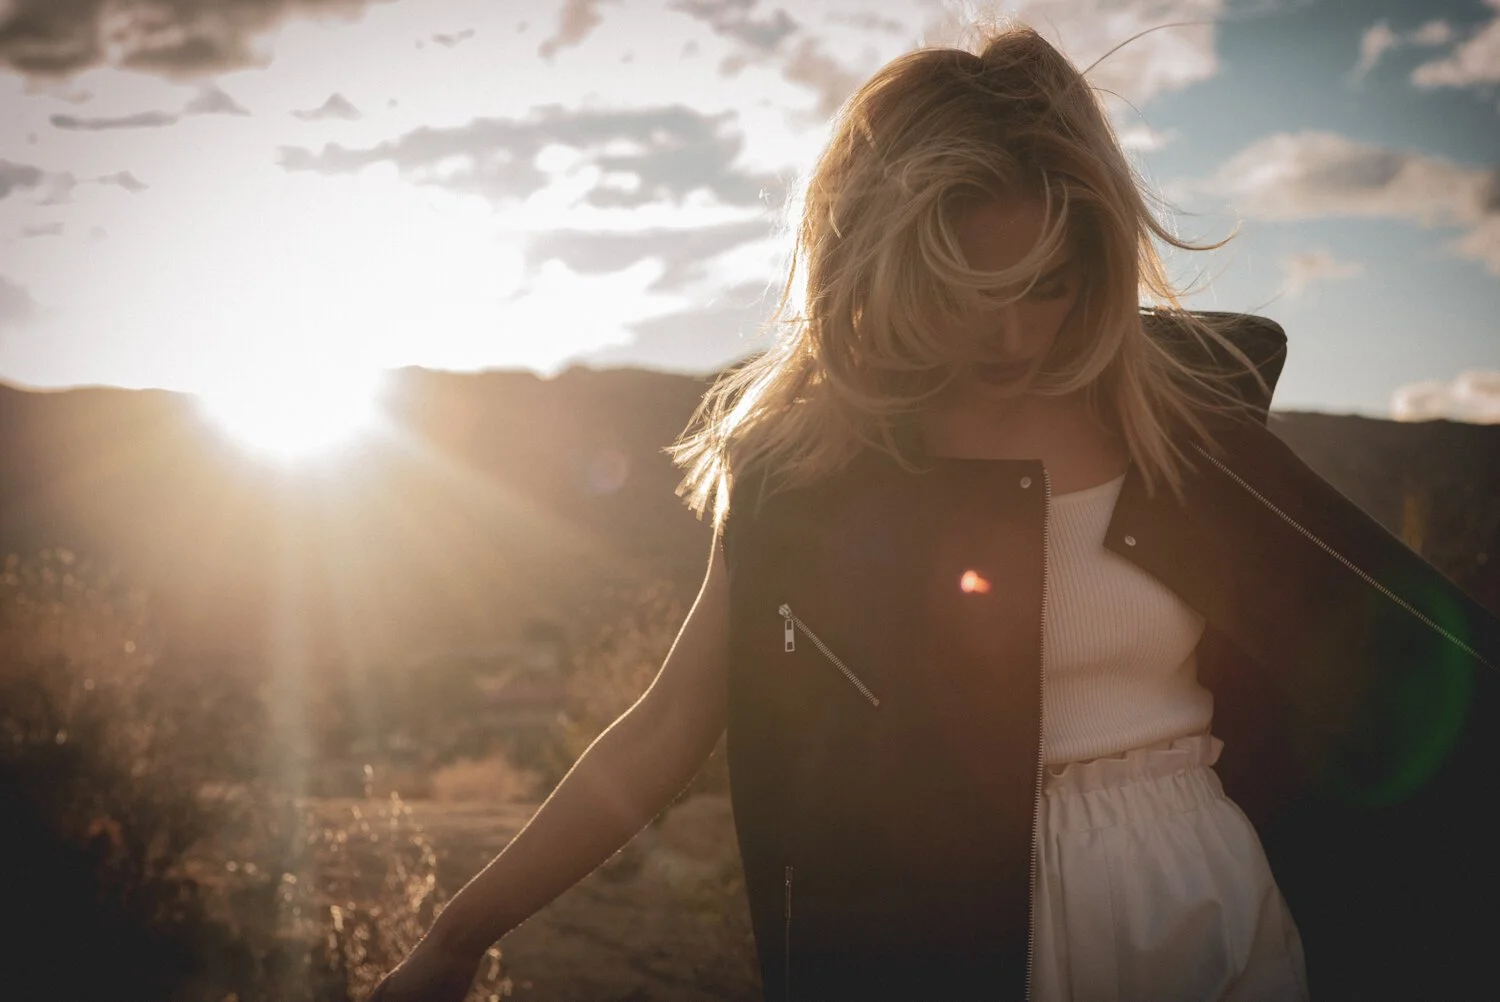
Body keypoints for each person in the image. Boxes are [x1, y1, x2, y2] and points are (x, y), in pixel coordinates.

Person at [371, 21, 1500, 1002]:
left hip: (1205, 898)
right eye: (973, 292)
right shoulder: (812, 473)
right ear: (892, 266)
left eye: (1047, 285)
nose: (1015, 334)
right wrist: (458, 934)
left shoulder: (1181, 427)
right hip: (942, 932)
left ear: (1095, 256)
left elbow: (1408, 654)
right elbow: (669, 724)